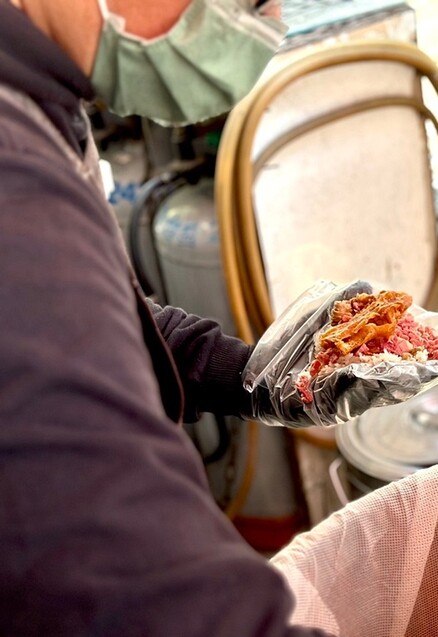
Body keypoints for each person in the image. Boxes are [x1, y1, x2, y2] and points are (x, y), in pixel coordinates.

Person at [0, 0, 332, 634]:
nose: (258, 23)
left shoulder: (39, 96)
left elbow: (101, 325)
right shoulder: (12, 177)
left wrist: (260, 376)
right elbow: (140, 596)